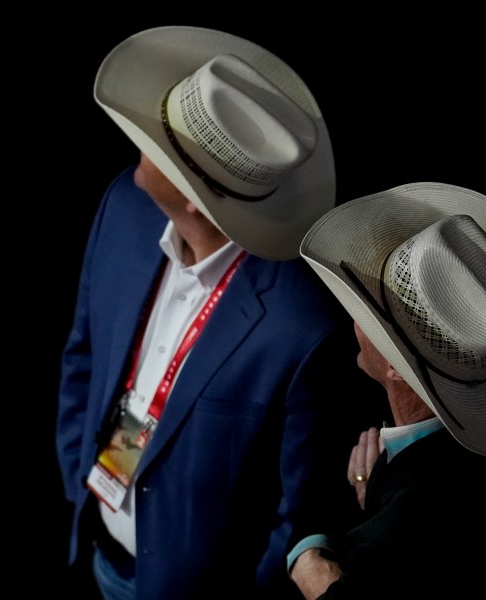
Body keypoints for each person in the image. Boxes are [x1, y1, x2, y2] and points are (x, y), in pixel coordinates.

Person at [55, 26, 386, 599]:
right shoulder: (123, 207)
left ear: (192, 195)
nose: (142, 135)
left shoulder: (302, 328)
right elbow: (83, 353)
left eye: (161, 139)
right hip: (95, 550)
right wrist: (77, 475)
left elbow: (297, 508)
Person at [287, 182, 486, 597]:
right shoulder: (426, 471)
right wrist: (374, 485)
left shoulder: (416, 512)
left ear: (395, 367)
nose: (353, 321)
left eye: (366, 312)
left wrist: (307, 561)